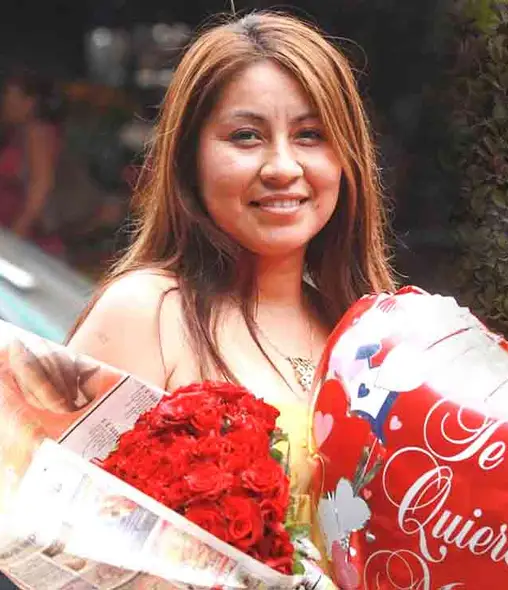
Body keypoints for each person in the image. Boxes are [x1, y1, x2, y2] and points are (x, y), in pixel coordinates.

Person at [65, 10, 394, 540]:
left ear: (347, 158)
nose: (283, 167)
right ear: (190, 158)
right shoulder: (146, 313)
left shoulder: (370, 332)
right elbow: (57, 542)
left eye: (311, 135)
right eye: (245, 136)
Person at [0, 70, 64, 255]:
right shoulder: (17, 134)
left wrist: (17, 233)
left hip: (26, 240)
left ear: (30, 102)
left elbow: (41, 185)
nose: (5, 104)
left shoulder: (37, 133)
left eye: (11, 98)